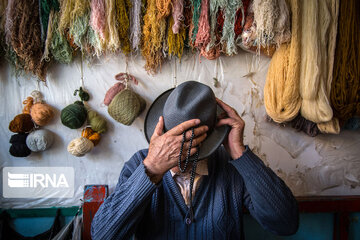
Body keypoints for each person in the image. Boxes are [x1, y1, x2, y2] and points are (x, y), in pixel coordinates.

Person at [91, 81, 299, 240]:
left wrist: (239, 153)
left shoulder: (230, 167)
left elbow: (286, 223)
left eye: (185, 146)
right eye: (172, 142)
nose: (177, 152)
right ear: (161, 130)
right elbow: (103, 235)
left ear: (209, 141)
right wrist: (152, 168)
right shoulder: (140, 164)